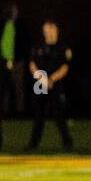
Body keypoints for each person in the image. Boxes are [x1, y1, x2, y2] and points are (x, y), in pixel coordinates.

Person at [26, 20, 73, 151]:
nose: (49, 33)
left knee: (59, 115)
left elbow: (65, 67)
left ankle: (67, 143)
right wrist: (43, 79)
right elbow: (32, 65)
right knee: (38, 116)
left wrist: (51, 79)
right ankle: (33, 144)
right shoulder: (37, 47)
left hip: (56, 85)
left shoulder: (63, 48)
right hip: (40, 84)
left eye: (51, 30)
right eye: (46, 30)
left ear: (56, 30)